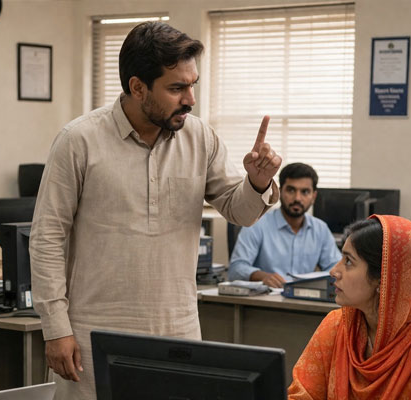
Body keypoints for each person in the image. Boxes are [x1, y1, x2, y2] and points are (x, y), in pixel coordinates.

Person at [30, 21, 282, 400]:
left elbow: (241, 212)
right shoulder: (78, 140)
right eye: (177, 88)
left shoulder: (200, 137)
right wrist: (55, 328)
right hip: (92, 333)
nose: (190, 99)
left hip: (178, 331)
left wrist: (257, 183)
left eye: (193, 85)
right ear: (138, 87)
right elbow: (46, 239)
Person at [288, 215, 411, 399]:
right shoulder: (337, 325)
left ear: (382, 277)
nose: (334, 271)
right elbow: (301, 395)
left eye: (348, 261)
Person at [228, 163, 341, 287]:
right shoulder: (257, 224)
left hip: (305, 296)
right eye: (291, 190)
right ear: (280, 191)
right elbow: (236, 269)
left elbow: (337, 269)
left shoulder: (320, 229)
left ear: (313, 197)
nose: (297, 198)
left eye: (305, 192)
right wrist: (263, 276)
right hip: (267, 296)